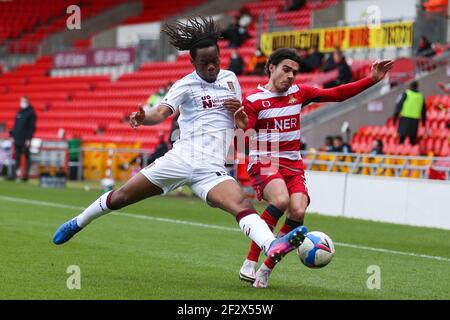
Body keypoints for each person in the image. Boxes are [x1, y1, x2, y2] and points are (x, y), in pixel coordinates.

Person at [52, 17, 307, 273]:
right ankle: (77, 222)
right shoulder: (184, 85)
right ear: (192, 62)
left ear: (221, 57)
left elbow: (240, 125)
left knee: (241, 204)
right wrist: (144, 117)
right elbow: (161, 112)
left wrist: (240, 121)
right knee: (121, 197)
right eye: (204, 63)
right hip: (181, 160)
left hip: (211, 169)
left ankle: (271, 245)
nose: (211, 67)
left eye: (215, 61)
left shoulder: (231, 80)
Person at [231, 48, 393, 288]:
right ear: (271, 68)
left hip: (292, 163)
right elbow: (241, 145)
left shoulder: (300, 93)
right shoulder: (253, 100)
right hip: (264, 159)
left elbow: (336, 94)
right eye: (286, 69)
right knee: (281, 200)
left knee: (297, 212)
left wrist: (371, 80)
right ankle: (250, 262)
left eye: (294, 72)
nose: (291, 76)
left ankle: (266, 269)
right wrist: (241, 129)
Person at [9, 96, 36, 181]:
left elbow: (32, 127)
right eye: (21, 101)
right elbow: (16, 126)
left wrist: (29, 138)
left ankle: (25, 175)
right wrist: (13, 135)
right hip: (17, 138)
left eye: (23, 101)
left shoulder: (31, 113)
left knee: (26, 156)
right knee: (16, 157)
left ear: (27, 102)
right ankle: (14, 174)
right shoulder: (19, 112)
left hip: (25, 139)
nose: (22, 103)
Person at [393, 81, 426, 146]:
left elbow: (398, 106)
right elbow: (423, 111)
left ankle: (401, 152)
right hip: (415, 120)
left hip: (405, 119)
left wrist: (395, 118)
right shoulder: (421, 96)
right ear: (417, 87)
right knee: (412, 140)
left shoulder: (406, 94)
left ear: (410, 86)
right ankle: (412, 153)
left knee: (402, 139)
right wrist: (423, 122)